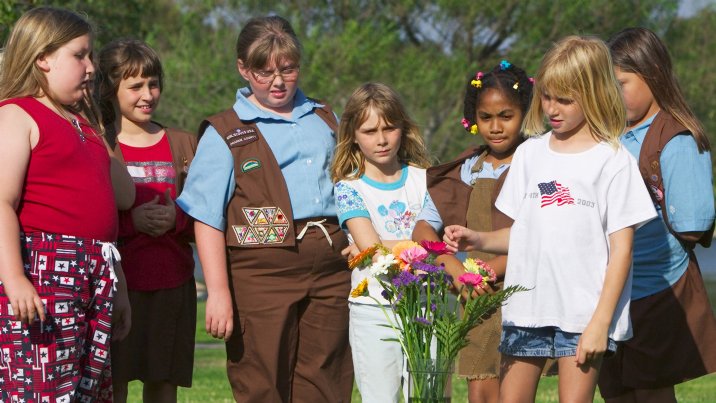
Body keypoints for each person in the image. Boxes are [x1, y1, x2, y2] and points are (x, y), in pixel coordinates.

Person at [442, 36, 657, 402]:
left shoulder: (614, 161)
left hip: (583, 317)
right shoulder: (529, 154)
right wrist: (476, 239)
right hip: (526, 309)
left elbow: (622, 252)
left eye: (565, 99)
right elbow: (523, 235)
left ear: (593, 94)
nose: (552, 108)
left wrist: (600, 323)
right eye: (547, 96)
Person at [176, 15, 353, 402]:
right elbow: (206, 218)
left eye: (288, 69)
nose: (278, 81)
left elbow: (349, 187)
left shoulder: (326, 118)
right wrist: (218, 292)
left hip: (330, 269)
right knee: (261, 379)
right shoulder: (225, 131)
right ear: (243, 68)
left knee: (326, 378)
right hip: (260, 274)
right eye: (264, 71)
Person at [0, 6, 134, 402]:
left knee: (88, 391)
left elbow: (116, 207)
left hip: (97, 269)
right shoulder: (17, 114)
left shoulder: (85, 125)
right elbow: (2, 202)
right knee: (43, 389)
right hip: (44, 272)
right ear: (43, 57)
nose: (91, 67)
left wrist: (119, 288)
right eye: (80, 55)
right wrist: (15, 279)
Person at [597, 27, 716, 403]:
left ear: (652, 75)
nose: (613, 94)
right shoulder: (610, 135)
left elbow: (693, 224)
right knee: (615, 390)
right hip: (610, 290)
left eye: (621, 83)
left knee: (651, 393)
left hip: (657, 286)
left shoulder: (676, 137)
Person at [412, 60, 533, 403]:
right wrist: (452, 267)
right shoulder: (467, 169)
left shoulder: (537, 163)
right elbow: (423, 227)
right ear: (472, 118)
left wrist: (492, 269)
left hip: (527, 287)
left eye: (506, 116)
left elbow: (546, 235)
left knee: (516, 383)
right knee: (480, 384)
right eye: (486, 118)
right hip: (477, 293)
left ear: (525, 114)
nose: (495, 127)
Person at [97, 39, 198, 403]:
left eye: (153, 83)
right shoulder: (99, 143)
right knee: (114, 385)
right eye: (135, 85)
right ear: (111, 88)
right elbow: (90, 215)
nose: (147, 94)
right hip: (116, 288)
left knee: (162, 384)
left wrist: (177, 219)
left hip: (173, 285)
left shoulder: (185, 144)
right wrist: (131, 223)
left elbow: (206, 217)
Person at [331, 82, 431, 402]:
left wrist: (373, 245)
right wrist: (380, 247)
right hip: (373, 311)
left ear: (404, 128)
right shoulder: (348, 188)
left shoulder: (427, 179)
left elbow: (437, 246)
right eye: (370, 130)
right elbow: (376, 254)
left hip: (428, 308)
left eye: (390, 128)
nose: (382, 139)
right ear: (353, 135)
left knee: (427, 397)